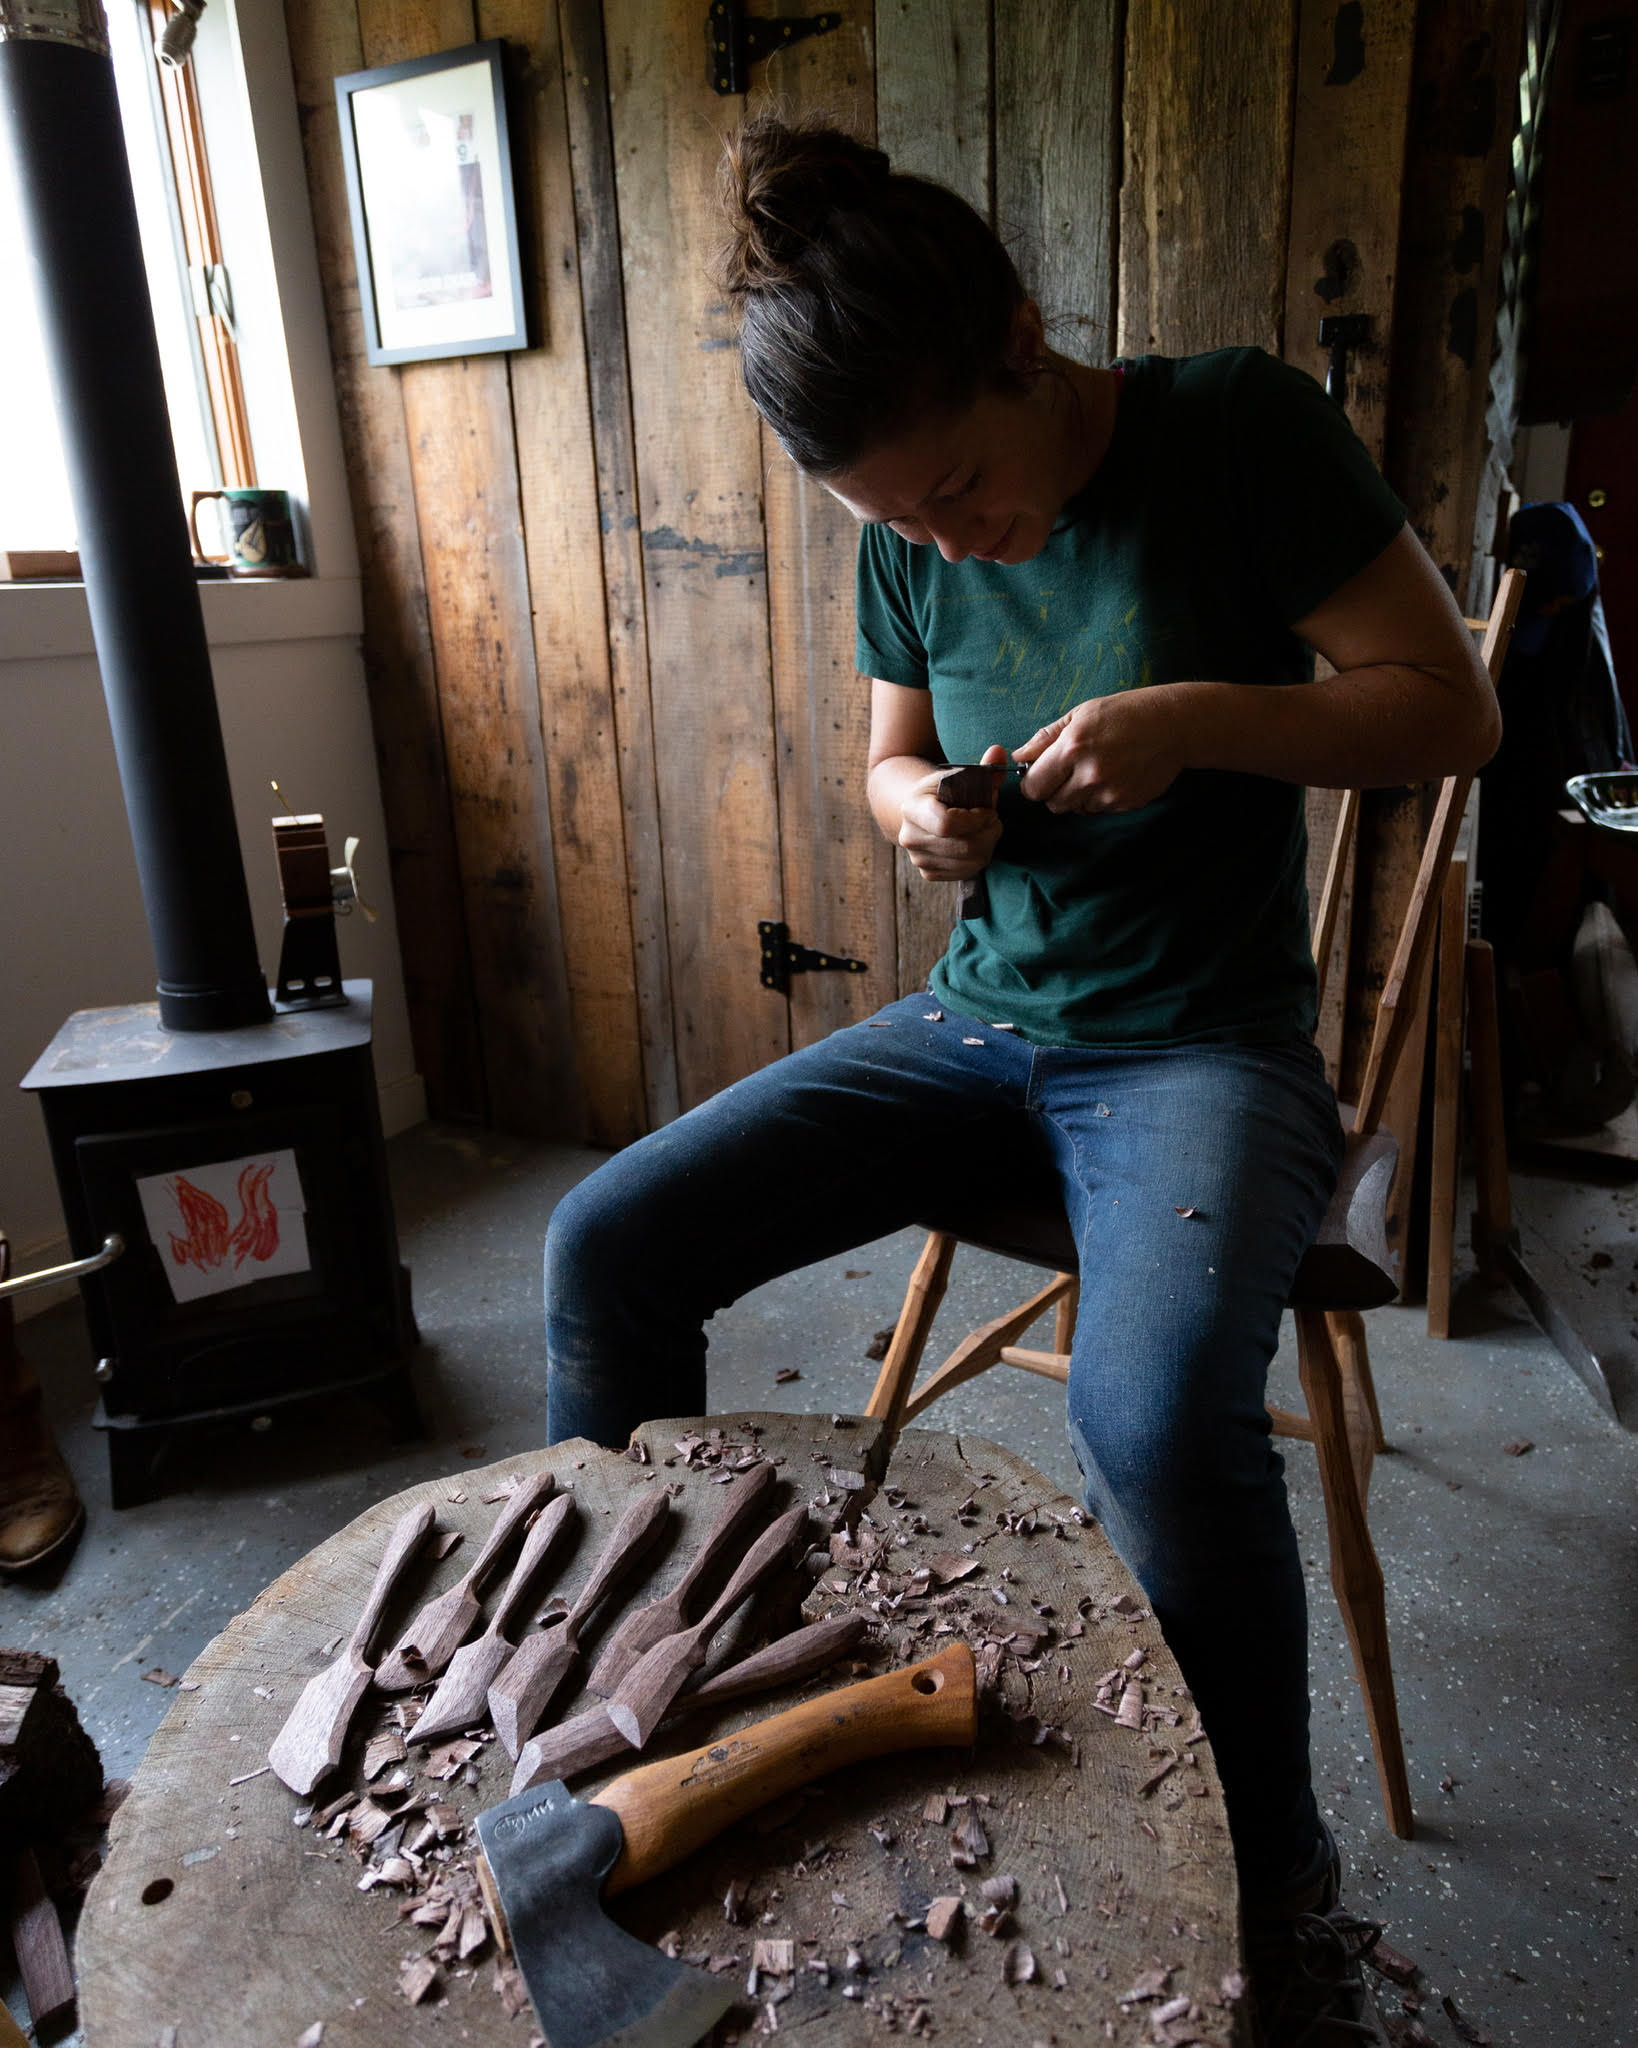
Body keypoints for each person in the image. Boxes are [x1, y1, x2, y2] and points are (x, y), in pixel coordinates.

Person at [545, 116, 1500, 2045]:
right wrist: (918, 813)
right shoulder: (914, 530)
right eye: (893, 522)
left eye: (963, 488)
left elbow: (1447, 706)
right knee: (603, 1243)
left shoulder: (1230, 431)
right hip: (977, 1019)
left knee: (1150, 1428)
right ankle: (631, 1718)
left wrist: (1194, 725)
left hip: (1201, 1047)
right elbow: (888, 755)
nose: (948, 540)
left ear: (1023, 340)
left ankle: (1274, 1890)